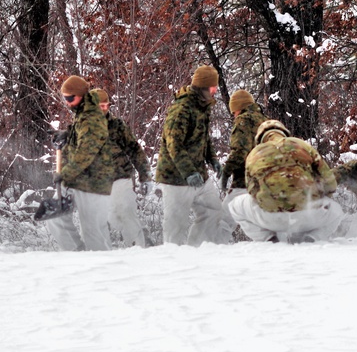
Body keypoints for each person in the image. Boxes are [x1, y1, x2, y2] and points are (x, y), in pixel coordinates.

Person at [227, 120, 343, 243]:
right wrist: (320, 197)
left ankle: (268, 239)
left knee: (234, 206)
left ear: (260, 138)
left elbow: (251, 190)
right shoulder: (302, 145)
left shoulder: (253, 154)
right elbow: (329, 182)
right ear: (284, 133)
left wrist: (270, 200)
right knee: (336, 209)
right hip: (308, 215)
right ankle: (312, 238)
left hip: (270, 218)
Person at [155, 65, 228, 246]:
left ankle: (197, 251)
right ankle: (172, 262)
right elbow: (174, 144)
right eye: (212, 88)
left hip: (198, 175)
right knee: (175, 226)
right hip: (175, 177)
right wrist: (188, 172)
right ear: (202, 87)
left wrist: (212, 160)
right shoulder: (181, 109)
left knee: (213, 211)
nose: (215, 92)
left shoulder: (202, 107)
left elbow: (203, 138)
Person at [47, 75, 115, 251]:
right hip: (78, 178)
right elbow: (81, 136)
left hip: (94, 180)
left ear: (81, 95)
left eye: (70, 98)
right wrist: (67, 134)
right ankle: (78, 255)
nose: (67, 102)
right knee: (55, 217)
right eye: (65, 98)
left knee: (94, 233)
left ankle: (106, 269)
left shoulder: (92, 116)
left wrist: (65, 174)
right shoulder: (83, 114)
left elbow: (87, 151)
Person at [93, 88, 150, 247]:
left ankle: (138, 249)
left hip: (121, 177)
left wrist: (145, 176)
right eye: (99, 106)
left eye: (106, 106)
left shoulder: (117, 125)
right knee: (102, 220)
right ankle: (103, 256)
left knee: (126, 212)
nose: (103, 110)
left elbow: (135, 149)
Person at [220, 89, 268, 204]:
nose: (234, 115)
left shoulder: (244, 120)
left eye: (234, 112)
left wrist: (226, 172)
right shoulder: (265, 120)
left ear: (239, 108)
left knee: (225, 218)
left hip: (245, 181)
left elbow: (240, 150)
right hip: (266, 179)